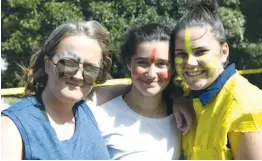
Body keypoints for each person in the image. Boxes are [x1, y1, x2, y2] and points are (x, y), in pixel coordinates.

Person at [1, 21, 112, 160]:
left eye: (90, 69)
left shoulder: (87, 110)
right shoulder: (12, 127)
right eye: (67, 64)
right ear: (48, 64)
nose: (78, 76)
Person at [169, 0, 262, 159]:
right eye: (181, 54)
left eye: (200, 52)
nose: (190, 63)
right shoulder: (192, 93)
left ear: (224, 51)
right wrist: (177, 99)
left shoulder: (246, 106)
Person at [88, 23, 183, 159]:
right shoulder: (100, 116)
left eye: (161, 64)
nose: (151, 74)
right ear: (128, 62)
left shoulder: (184, 118)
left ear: (173, 67)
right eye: (142, 63)